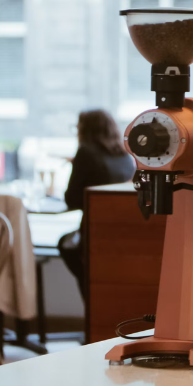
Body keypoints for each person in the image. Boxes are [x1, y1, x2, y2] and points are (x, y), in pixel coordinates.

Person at [58, 109, 136, 296]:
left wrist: (76, 166)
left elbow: (72, 199)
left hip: (95, 232)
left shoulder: (86, 153)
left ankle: (90, 294)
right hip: (123, 232)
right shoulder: (124, 155)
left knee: (65, 244)